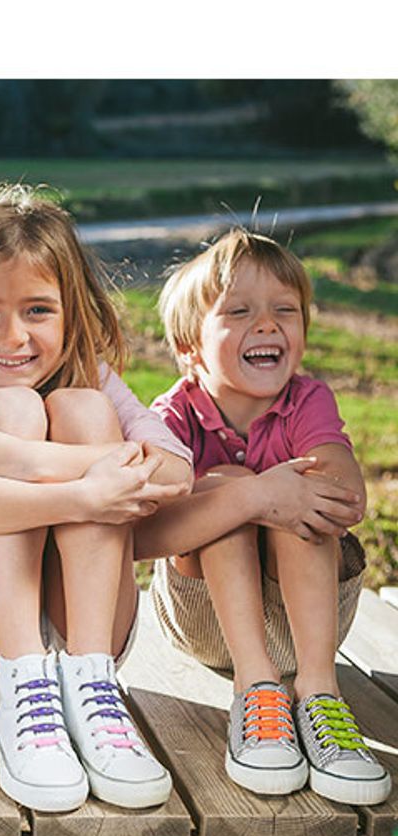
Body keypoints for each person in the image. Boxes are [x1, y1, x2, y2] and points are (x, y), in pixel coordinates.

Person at [0, 183, 193, 812]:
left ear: (71, 311)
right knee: (10, 408)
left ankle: (93, 694)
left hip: (93, 639)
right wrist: (85, 493)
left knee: (80, 408)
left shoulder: (93, 378)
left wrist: (36, 465)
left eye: (37, 310)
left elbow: (176, 475)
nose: (13, 336)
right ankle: (28, 695)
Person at [135, 228, 390, 805]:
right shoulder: (171, 418)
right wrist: (248, 497)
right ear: (189, 348)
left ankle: (320, 695)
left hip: (310, 629)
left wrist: (289, 492)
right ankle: (256, 691)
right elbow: (139, 538)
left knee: (299, 495)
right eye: (240, 312)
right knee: (232, 486)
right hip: (205, 622)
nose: (268, 325)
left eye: (285, 311)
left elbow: (348, 498)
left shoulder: (307, 400)